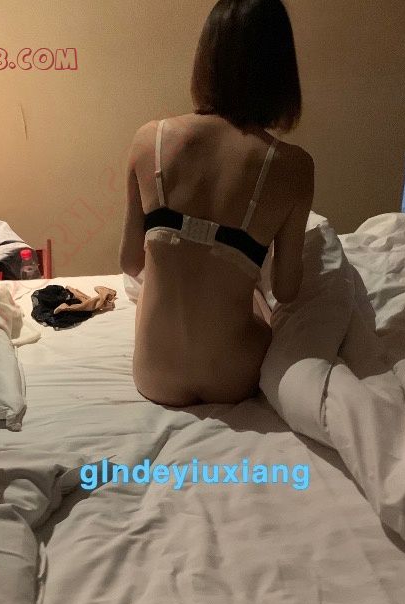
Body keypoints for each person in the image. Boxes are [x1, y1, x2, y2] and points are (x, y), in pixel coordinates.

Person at [120, 0, 316, 406]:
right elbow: (287, 289)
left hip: (154, 375)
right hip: (233, 376)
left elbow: (130, 262)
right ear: (281, 70)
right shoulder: (292, 166)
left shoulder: (149, 140)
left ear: (205, 58)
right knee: (256, 306)